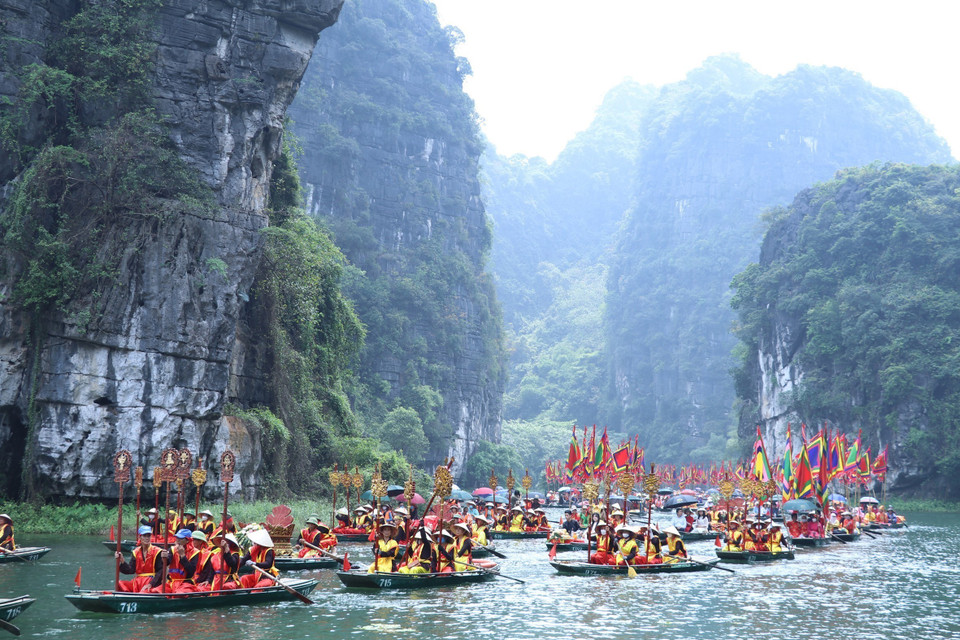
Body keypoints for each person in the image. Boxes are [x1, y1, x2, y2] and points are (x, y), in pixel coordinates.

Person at [116, 526, 163, 592]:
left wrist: (151, 584)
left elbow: (160, 571)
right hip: (138, 582)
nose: (147, 538)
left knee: (146, 591)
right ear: (140, 537)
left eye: (148, 536)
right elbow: (131, 570)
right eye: (144, 536)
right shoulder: (136, 552)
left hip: (152, 581)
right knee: (120, 583)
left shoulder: (157, 551)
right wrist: (122, 561)